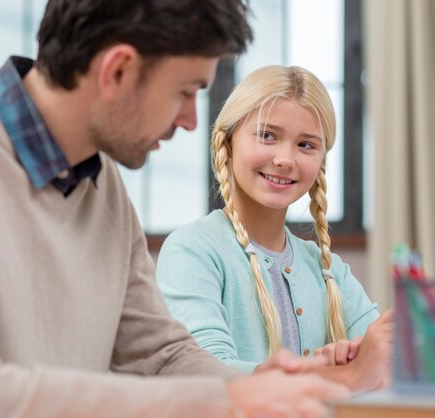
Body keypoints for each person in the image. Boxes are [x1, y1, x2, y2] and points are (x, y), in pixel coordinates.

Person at [0, 2, 352, 418]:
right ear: (118, 71)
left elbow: (159, 355)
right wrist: (221, 402)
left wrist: (255, 388)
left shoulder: (102, 185)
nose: (190, 120)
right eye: (185, 91)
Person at [156, 65, 393, 392]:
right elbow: (205, 372)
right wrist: (336, 374)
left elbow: (385, 368)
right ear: (228, 141)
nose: (285, 159)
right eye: (267, 135)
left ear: (322, 160)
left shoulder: (327, 269)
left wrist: (371, 355)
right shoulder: (192, 249)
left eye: (306, 145)